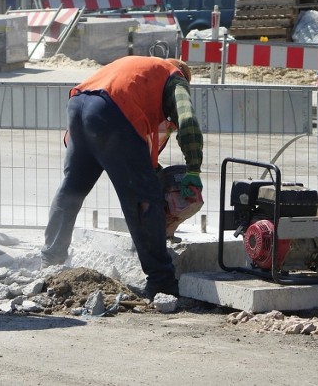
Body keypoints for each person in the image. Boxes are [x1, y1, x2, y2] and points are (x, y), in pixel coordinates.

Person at [41, 56, 203, 299]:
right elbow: (187, 120)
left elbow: (141, 147)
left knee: (71, 190)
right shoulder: (175, 78)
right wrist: (193, 169)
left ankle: (50, 263)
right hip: (113, 111)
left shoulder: (139, 71)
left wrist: (151, 172)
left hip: (79, 106)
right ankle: (161, 281)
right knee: (143, 200)